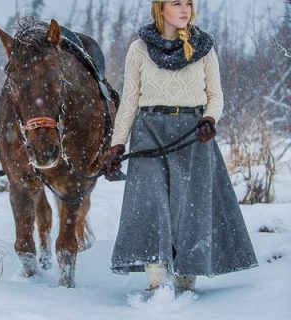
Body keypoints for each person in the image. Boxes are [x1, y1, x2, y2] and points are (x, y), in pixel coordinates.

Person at [105, 0, 258, 296]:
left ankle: (187, 279)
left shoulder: (203, 47)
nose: (185, 9)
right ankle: (156, 282)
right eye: (177, 3)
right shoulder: (139, 48)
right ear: (160, 9)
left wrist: (209, 119)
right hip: (148, 129)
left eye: (189, 3)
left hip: (192, 132)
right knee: (150, 204)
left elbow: (216, 95)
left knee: (190, 206)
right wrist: (116, 145)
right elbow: (129, 100)